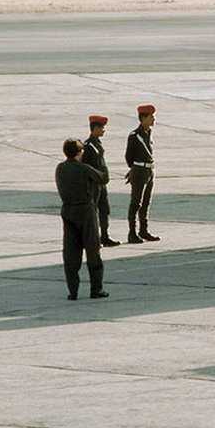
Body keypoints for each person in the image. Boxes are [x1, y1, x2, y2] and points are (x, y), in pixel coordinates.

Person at [55, 138, 109, 300]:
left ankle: (73, 291)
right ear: (79, 153)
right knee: (92, 250)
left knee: (71, 251)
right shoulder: (84, 169)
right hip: (85, 210)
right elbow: (103, 178)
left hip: (67, 209)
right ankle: (96, 288)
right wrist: (102, 163)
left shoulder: (60, 168)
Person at [82, 114, 119, 247]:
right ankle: (94, 238)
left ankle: (105, 236)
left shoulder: (96, 143)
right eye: (102, 128)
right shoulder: (88, 146)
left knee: (104, 210)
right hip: (93, 184)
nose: (104, 130)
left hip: (101, 183)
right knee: (93, 212)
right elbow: (85, 168)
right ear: (95, 128)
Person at [125, 104, 160, 243]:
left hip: (149, 170)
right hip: (139, 170)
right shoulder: (135, 135)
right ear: (143, 118)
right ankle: (132, 233)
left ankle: (144, 230)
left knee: (146, 202)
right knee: (136, 203)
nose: (153, 119)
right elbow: (129, 156)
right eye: (151, 117)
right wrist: (134, 169)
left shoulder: (148, 133)